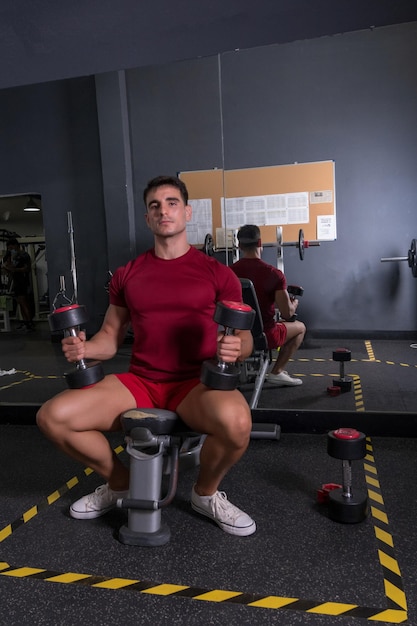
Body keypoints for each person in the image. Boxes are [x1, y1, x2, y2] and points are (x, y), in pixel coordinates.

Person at [36, 175, 256, 537]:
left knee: (237, 425)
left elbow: (244, 339)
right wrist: (84, 348)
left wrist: (237, 347)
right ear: (147, 218)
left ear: (186, 212)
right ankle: (120, 482)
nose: (163, 210)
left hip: (194, 384)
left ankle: (205, 493)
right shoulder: (128, 274)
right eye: (155, 205)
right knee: (53, 417)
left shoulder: (218, 274)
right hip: (140, 382)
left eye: (171, 203)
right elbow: (109, 337)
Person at [231, 224, 306, 387]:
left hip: (235, 335)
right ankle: (277, 372)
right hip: (264, 335)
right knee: (300, 327)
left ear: (239, 246)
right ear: (260, 243)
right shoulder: (274, 274)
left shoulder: (228, 273)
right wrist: (294, 304)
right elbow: (287, 314)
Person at [2, 238, 35, 332]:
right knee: (20, 303)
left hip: (22, 282)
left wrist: (14, 270)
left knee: (24, 302)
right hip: (16, 282)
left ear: (16, 245)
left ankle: (29, 323)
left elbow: (26, 269)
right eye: (9, 248)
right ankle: (25, 322)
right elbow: (10, 267)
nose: (10, 249)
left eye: (11, 247)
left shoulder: (24, 255)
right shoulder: (13, 256)